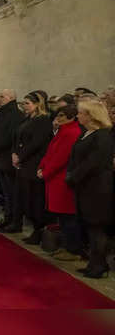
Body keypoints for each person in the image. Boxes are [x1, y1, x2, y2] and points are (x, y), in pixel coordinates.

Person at [67, 100, 114, 279]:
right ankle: (94, 263)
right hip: (85, 185)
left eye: (80, 113)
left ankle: (99, 265)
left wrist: (74, 176)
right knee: (90, 226)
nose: (78, 116)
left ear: (90, 115)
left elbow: (94, 163)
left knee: (97, 227)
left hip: (97, 187)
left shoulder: (102, 135)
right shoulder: (87, 133)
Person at [37, 105, 82, 261]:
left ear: (71, 117)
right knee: (62, 217)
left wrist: (46, 172)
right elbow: (50, 152)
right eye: (58, 115)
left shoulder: (71, 133)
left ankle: (72, 249)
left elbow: (61, 158)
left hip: (61, 179)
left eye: (62, 115)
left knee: (68, 217)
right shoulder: (63, 131)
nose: (58, 118)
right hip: (54, 178)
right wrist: (42, 167)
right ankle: (65, 246)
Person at [9, 92, 53, 244]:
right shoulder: (27, 119)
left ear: (37, 104)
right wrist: (14, 153)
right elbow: (16, 137)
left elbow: (37, 143)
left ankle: (39, 229)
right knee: (25, 197)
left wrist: (20, 156)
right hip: (22, 163)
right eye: (24, 103)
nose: (25, 106)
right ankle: (35, 227)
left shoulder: (43, 120)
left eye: (28, 103)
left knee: (35, 198)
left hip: (34, 163)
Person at [0, 89, 25, 231]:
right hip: (0, 158)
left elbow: (10, 136)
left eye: (2, 96)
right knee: (6, 192)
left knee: (13, 193)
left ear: (10, 98)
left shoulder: (15, 114)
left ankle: (15, 222)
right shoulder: (4, 113)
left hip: (7, 158)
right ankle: (8, 218)